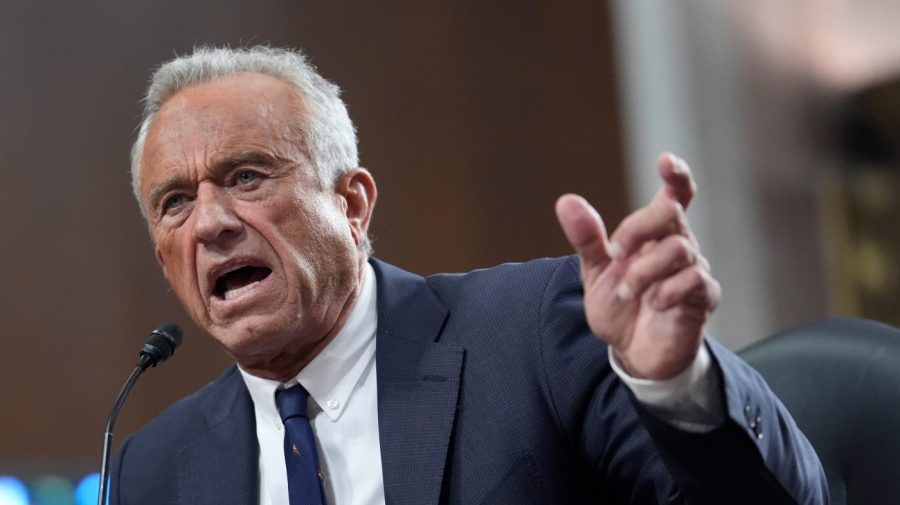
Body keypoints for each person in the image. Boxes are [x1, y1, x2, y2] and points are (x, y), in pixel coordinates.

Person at [110, 45, 827, 505]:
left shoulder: (535, 333)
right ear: (165, 259)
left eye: (246, 176)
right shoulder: (156, 469)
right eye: (175, 202)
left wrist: (674, 385)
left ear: (351, 205)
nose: (210, 223)